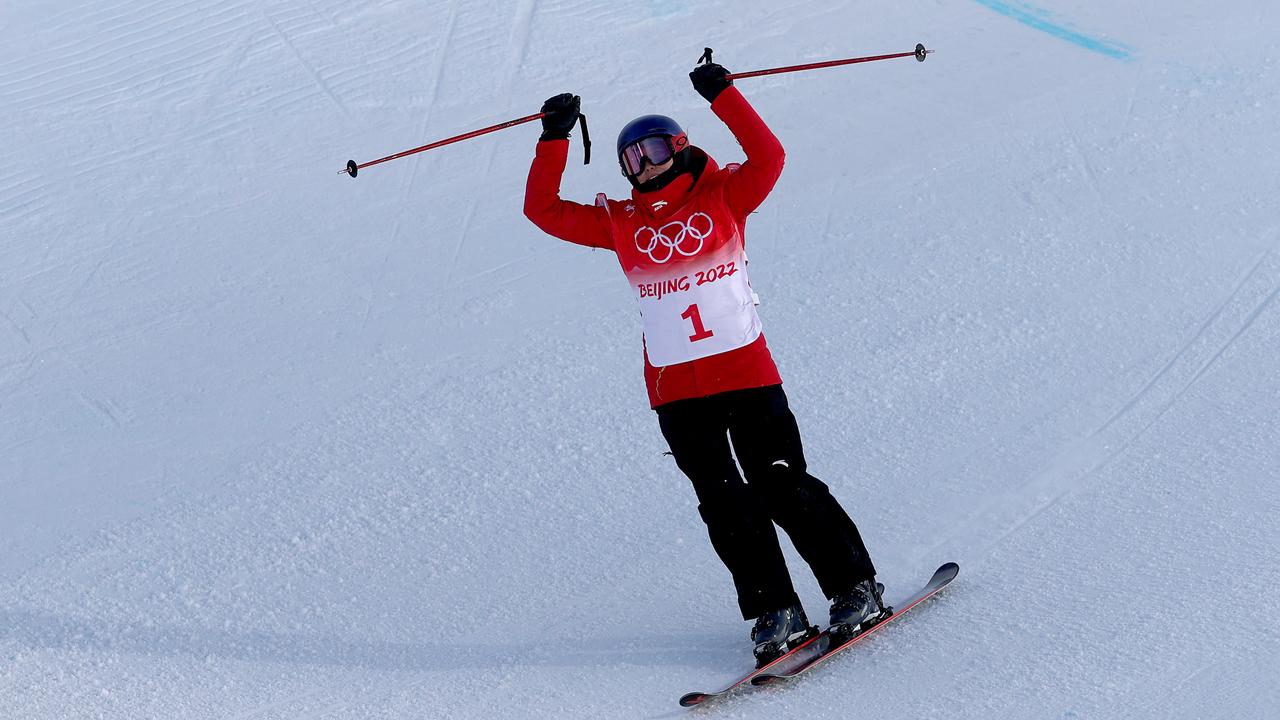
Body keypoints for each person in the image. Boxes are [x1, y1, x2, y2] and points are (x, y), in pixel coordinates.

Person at [523, 61, 888, 666]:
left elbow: (769, 158)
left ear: (680, 146)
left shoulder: (724, 193)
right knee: (723, 503)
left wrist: (724, 94)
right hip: (675, 390)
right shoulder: (620, 223)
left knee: (781, 483)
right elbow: (543, 210)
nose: (643, 165)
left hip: (745, 373)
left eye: (653, 150)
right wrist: (555, 138)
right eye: (630, 159)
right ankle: (777, 610)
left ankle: (855, 588)